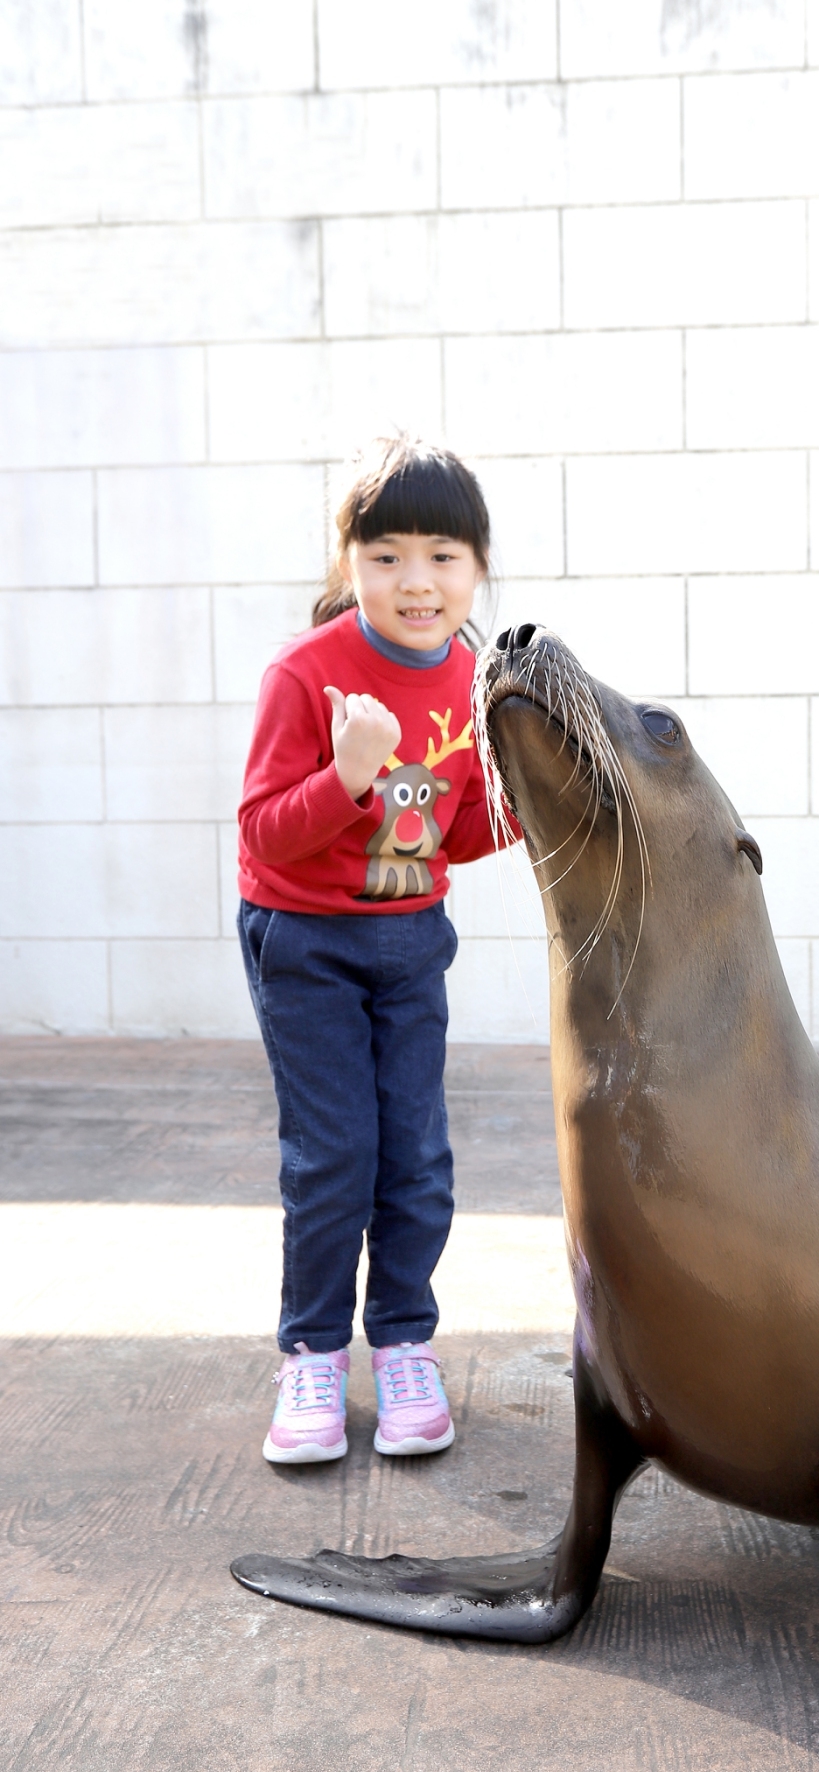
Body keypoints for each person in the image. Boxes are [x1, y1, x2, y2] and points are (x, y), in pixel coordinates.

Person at [236, 432, 516, 1466]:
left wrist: (532, 797)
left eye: (443, 556)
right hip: (303, 938)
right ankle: (312, 1350)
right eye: (387, 553)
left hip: (408, 940)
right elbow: (264, 831)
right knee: (336, 1153)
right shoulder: (305, 674)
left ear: (478, 568)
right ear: (348, 559)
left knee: (416, 1155)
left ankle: (403, 1342)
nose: (416, 580)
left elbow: (463, 828)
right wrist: (348, 773)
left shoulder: (473, 677)